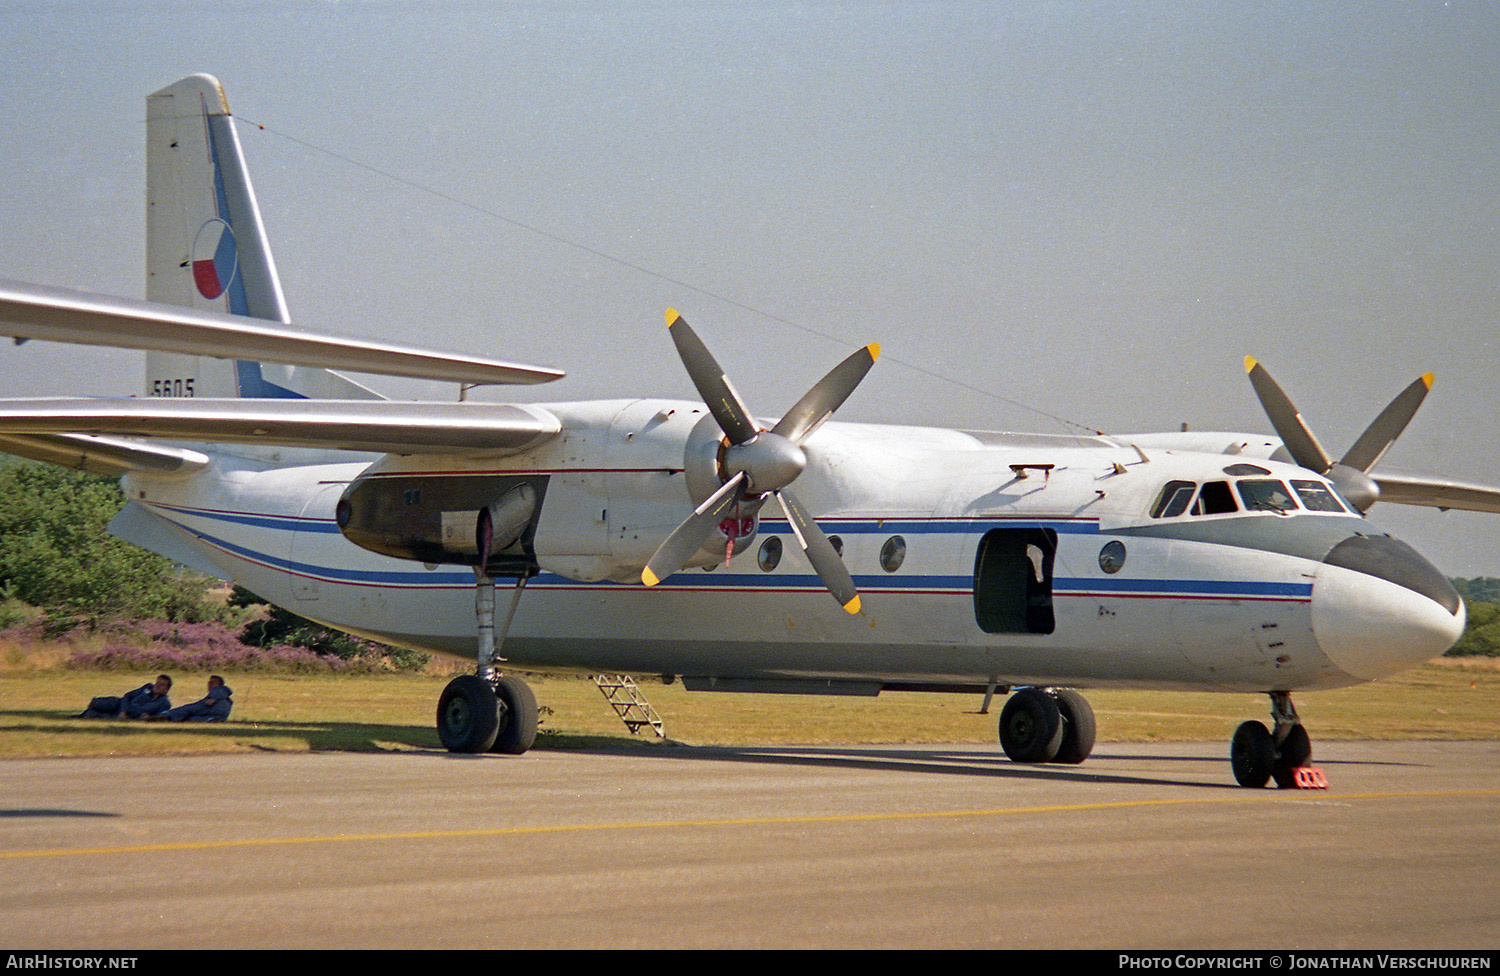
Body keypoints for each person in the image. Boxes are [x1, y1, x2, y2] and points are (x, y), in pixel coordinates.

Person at [80, 674, 172, 719]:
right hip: (122, 705)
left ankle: (86, 715)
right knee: (105, 703)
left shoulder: (164, 703)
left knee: (95, 715)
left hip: (131, 715)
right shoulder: (147, 688)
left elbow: (160, 717)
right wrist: (123, 710)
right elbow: (127, 696)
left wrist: (149, 716)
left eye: (162, 684)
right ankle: (92, 705)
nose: (157, 685)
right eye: (157, 682)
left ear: (167, 689)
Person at [153, 675, 233, 722]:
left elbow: (225, 690)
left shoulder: (220, 691)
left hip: (212, 711)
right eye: (209, 682)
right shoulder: (218, 695)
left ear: (219, 684)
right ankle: (166, 717)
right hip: (211, 717)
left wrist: (214, 698)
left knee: (187, 709)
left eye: (213, 682)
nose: (210, 684)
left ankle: (165, 715)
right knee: (188, 718)